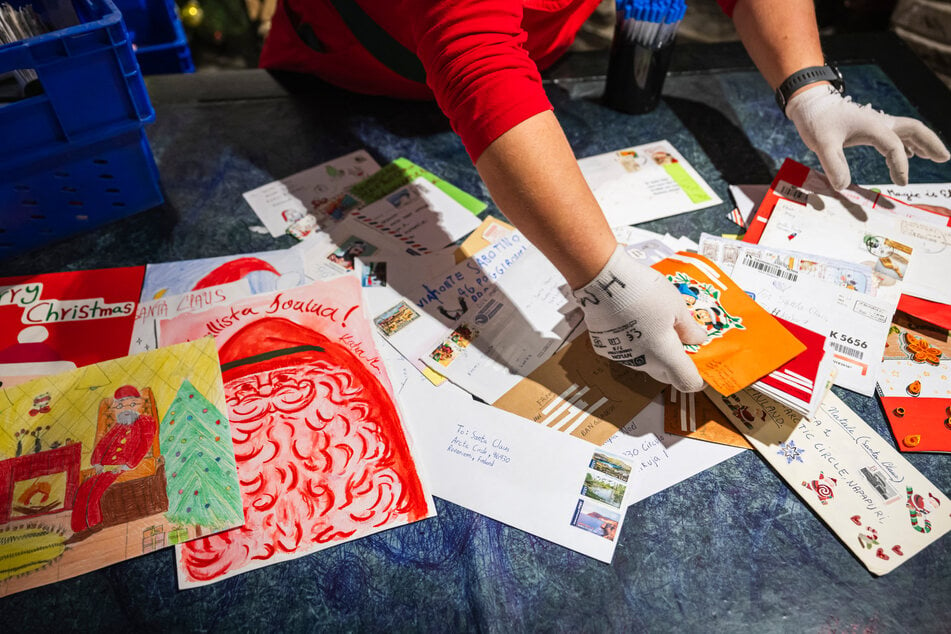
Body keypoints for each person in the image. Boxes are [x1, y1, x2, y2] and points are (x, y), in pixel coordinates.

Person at [260, 0, 949, 392]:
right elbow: (476, 59)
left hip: (525, 71)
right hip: (348, 85)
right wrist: (603, 277)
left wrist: (809, 88)